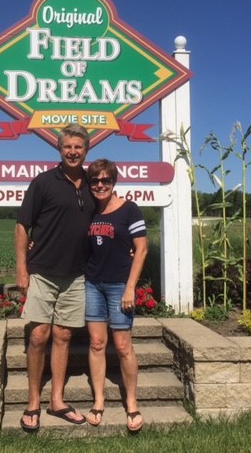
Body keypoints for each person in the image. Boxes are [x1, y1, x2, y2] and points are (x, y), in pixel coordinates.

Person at [15, 123, 95, 432]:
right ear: (59, 149)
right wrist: (22, 268)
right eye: (67, 147)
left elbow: (109, 218)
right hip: (43, 272)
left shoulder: (93, 184)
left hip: (76, 275)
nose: (73, 152)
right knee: (38, 336)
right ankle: (33, 402)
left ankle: (57, 401)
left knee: (63, 336)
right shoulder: (43, 182)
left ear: (86, 150)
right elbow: (23, 225)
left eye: (78, 147)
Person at [83, 158, 147, 433]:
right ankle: (99, 400)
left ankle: (131, 403)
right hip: (92, 284)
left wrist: (131, 286)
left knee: (122, 346)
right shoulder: (88, 211)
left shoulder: (129, 209)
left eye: (106, 180)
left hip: (120, 285)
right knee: (97, 343)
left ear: (114, 181)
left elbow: (141, 249)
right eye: (95, 180)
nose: (100, 185)